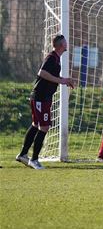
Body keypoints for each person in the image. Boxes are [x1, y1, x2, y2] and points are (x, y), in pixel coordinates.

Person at [16, 34, 75, 169]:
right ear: (61, 45)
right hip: (40, 98)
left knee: (36, 125)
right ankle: (34, 159)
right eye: (65, 42)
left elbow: (52, 76)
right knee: (44, 127)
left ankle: (23, 154)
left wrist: (64, 80)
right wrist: (62, 81)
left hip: (43, 98)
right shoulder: (51, 57)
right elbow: (42, 73)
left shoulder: (56, 59)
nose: (67, 44)